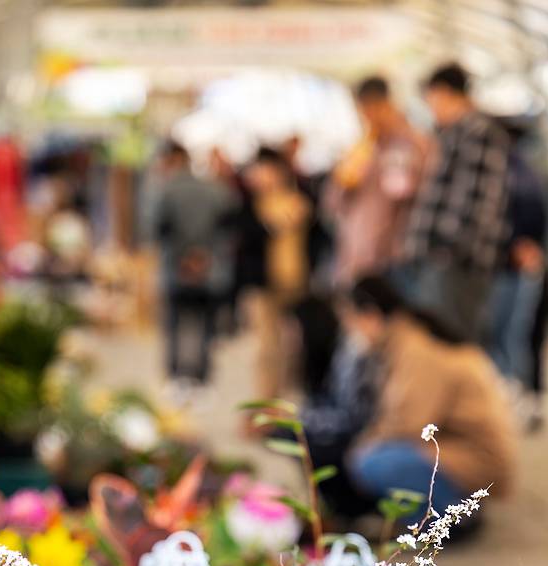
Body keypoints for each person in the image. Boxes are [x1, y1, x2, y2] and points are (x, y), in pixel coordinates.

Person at [344, 276, 516, 523]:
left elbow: (408, 424)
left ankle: (449, 518)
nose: (351, 332)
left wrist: (363, 446)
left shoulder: (415, 347)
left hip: (479, 460)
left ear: (371, 315)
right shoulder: (409, 335)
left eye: (351, 321)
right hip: (464, 449)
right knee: (373, 455)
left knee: (371, 462)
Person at [402, 62, 510, 342]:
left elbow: (476, 203)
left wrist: (446, 250)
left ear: (445, 92)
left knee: (453, 341)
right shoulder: (454, 134)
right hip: (445, 260)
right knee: (439, 339)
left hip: (456, 262)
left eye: (431, 99)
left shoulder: (478, 133)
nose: (431, 108)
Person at [325, 75, 427, 287]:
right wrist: (344, 181)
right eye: (362, 112)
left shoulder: (414, 144)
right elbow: (333, 203)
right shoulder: (361, 148)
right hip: (357, 254)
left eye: (371, 110)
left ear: (386, 105)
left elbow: (406, 190)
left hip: (395, 255)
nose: (367, 118)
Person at [151, 141, 238, 383]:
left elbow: (159, 230)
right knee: (206, 325)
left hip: (176, 269)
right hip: (210, 268)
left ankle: (175, 374)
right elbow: (228, 229)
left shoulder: (166, 191)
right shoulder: (217, 190)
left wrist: (184, 257)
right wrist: (202, 256)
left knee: (174, 325)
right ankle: (202, 373)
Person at [237, 147, 314, 398]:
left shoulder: (300, 199)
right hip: (262, 285)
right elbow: (243, 237)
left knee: (293, 346)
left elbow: (316, 238)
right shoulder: (250, 203)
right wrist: (272, 225)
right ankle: (265, 401)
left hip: (296, 282)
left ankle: (285, 399)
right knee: (265, 348)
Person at [292, 295, 379, 516]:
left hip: (360, 439)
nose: (291, 338)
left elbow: (353, 418)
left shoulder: (351, 353)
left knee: (294, 436)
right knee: (290, 433)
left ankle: (347, 512)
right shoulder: (335, 353)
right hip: (351, 432)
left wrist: (296, 420)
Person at [488, 122, 547, 390]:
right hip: (506, 267)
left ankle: (513, 391)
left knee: (509, 337)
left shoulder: (519, 173)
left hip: (514, 269)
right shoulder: (521, 171)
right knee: (509, 336)